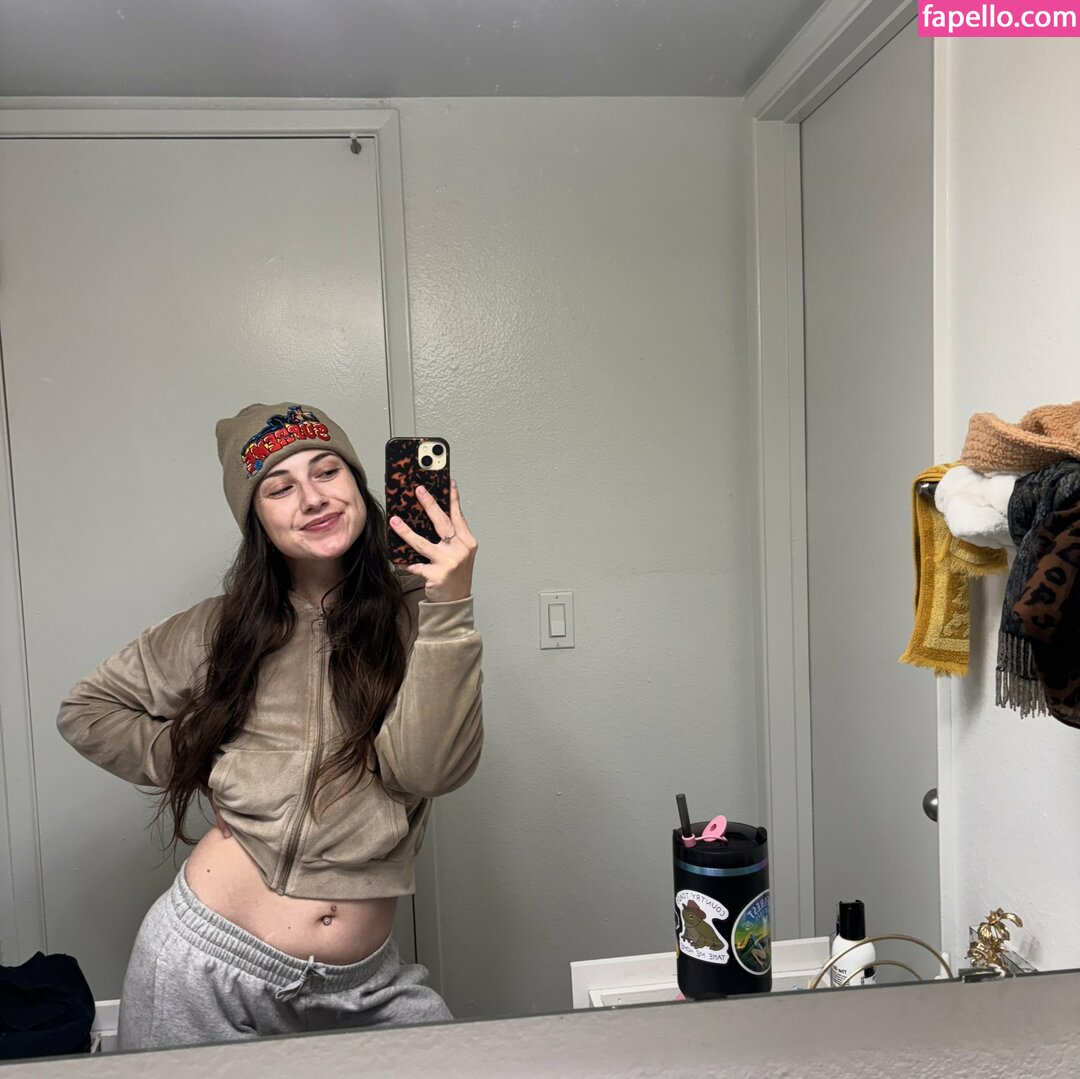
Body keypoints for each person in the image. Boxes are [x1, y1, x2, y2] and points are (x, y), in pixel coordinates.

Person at [56, 402, 482, 1049]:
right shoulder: (220, 626)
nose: (312, 497)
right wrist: (213, 760)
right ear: (256, 517)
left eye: (327, 471)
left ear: (358, 483)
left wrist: (449, 604)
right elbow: (86, 711)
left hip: (363, 982)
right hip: (204, 964)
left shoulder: (418, 616)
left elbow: (428, 771)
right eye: (279, 488)